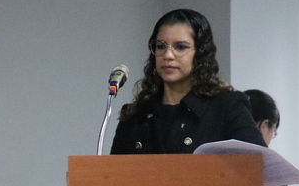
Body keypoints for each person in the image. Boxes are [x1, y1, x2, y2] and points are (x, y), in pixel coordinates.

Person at [109, 9, 264, 154]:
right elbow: (114, 172)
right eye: (160, 46)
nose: (168, 55)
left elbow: (259, 166)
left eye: (181, 47)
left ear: (200, 53)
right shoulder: (136, 115)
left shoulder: (227, 107)